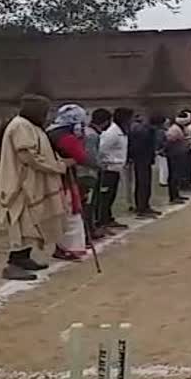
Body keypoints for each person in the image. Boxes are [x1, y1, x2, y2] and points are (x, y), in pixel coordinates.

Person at [0, 95, 71, 281]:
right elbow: (30, 157)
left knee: (33, 224)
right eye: (44, 112)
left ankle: (23, 258)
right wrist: (59, 167)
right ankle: (13, 264)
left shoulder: (31, 127)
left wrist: (59, 161)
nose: (46, 116)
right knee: (22, 225)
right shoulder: (20, 126)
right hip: (20, 186)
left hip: (32, 184)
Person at [47, 104, 94, 261]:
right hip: (63, 178)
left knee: (63, 211)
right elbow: (81, 157)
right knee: (70, 210)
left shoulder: (51, 131)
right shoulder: (65, 137)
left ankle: (63, 245)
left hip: (55, 176)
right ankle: (69, 247)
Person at [79, 108, 111, 244]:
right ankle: (87, 232)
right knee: (88, 203)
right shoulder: (92, 135)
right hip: (87, 174)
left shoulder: (87, 132)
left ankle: (89, 229)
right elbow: (90, 157)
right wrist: (101, 165)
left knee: (88, 203)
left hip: (84, 172)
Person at [99, 107, 133, 229]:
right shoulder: (112, 132)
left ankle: (107, 218)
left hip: (116, 169)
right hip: (108, 168)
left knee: (111, 195)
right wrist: (107, 162)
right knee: (105, 196)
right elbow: (101, 149)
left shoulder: (122, 131)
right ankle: (102, 220)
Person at [129, 115, 161, 218]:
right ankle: (142, 208)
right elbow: (141, 146)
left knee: (144, 183)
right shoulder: (145, 131)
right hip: (142, 159)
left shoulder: (146, 130)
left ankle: (144, 206)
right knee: (143, 183)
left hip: (143, 159)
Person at [165, 113, 191, 204]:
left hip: (181, 153)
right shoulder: (174, 129)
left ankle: (177, 194)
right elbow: (169, 141)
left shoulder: (182, 128)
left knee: (178, 175)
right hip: (174, 155)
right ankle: (173, 196)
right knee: (173, 176)